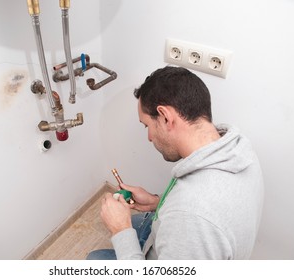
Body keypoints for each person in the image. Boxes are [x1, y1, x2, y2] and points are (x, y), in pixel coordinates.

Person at [87, 66, 264, 260]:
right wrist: (158, 202)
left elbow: (190, 216)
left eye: (147, 125)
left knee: (94, 259)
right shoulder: (238, 150)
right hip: (184, 230)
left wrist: (121, 230)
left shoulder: (190, 217)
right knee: (140, 223)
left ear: (165, 117)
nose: (149, 137)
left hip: (186, 230)